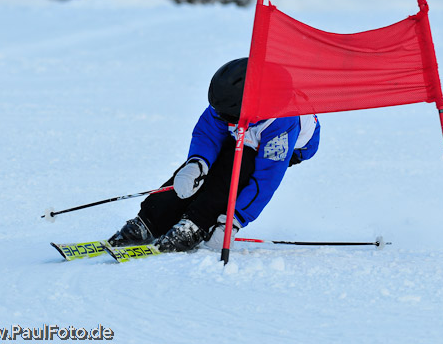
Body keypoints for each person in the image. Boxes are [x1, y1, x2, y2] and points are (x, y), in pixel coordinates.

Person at [108, 57, 320, 252]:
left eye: (225, 114)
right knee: (200, 173)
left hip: (284, 146)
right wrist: (196, 164)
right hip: (246, 126)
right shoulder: (228, 102)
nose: (219, 115)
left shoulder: (282, 123)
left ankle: (196, 223)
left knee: (239, 166)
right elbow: (208, 135)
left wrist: (234, 220)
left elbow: (266, 180)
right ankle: (151, 219)